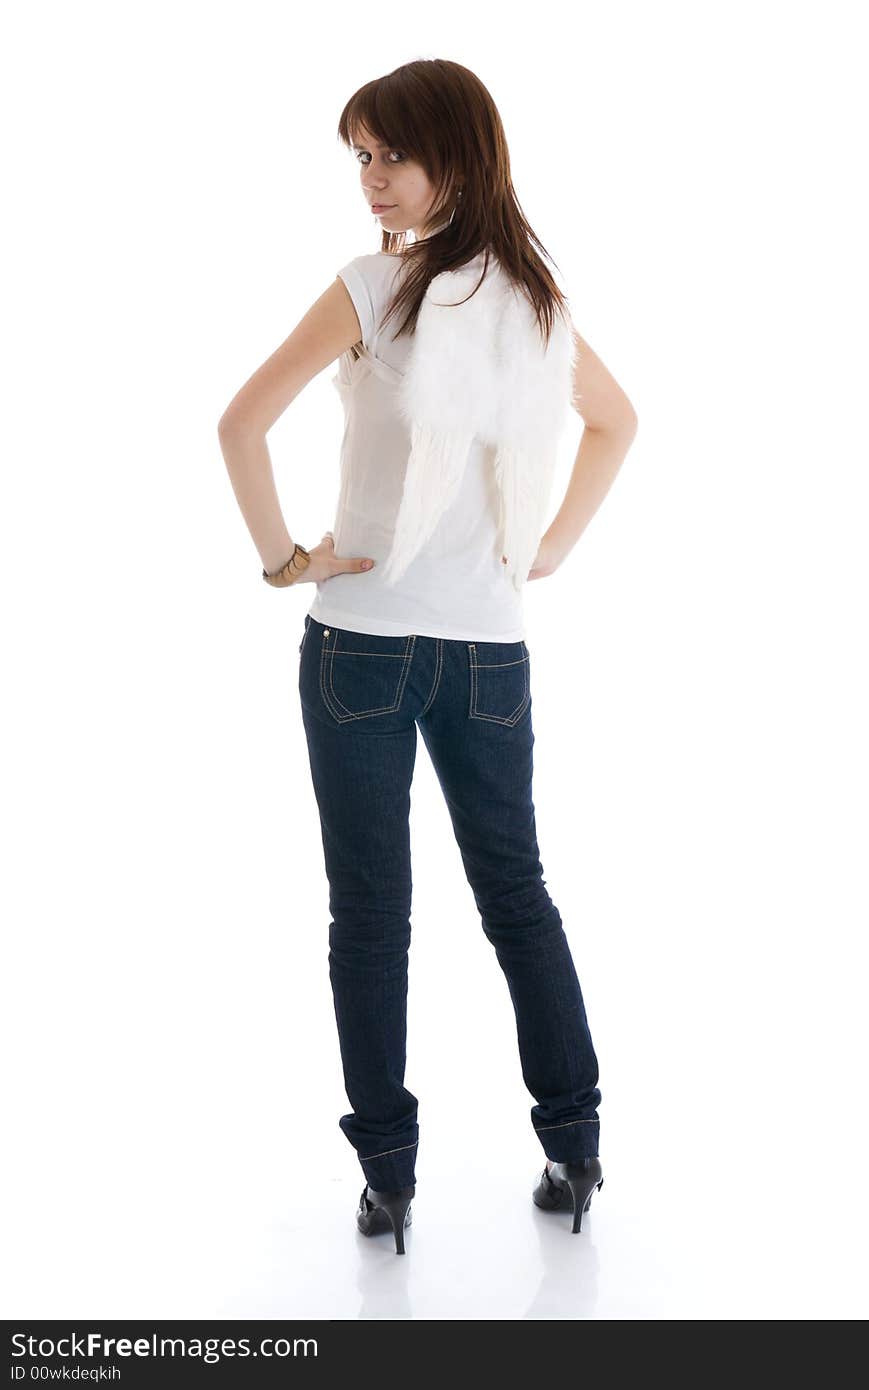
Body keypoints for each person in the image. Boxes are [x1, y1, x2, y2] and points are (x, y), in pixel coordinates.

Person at [218, 59, 638, 1254]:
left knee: (375, 914)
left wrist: (287, 561)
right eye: (357, 157)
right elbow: (615, 421)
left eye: (388, 154)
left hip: (361, 649)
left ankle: (392, 1178)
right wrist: (541, 550)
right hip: (487, 655)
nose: (371, 181)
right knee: (514, 896)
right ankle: (574, 1142)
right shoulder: (533, 300)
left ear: (456, 152)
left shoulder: (370, 289)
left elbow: (239, 422)